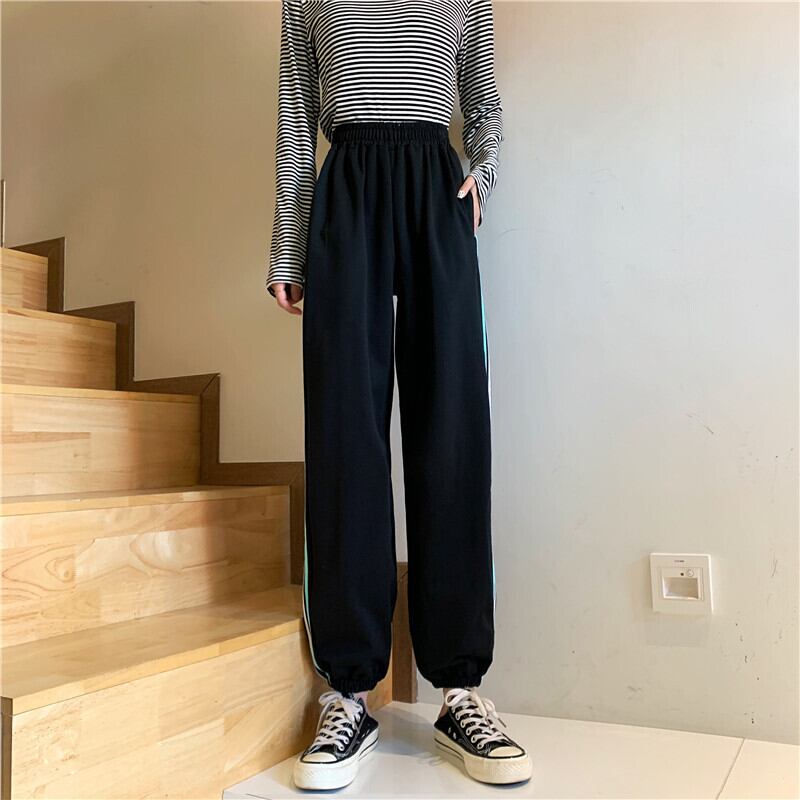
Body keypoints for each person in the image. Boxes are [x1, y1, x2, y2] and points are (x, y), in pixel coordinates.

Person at [266, 0, 532, 790]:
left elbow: (483, 101)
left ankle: (460, 690)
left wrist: (483, 174)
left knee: (451, 426)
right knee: (344, 432)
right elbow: (295, 118)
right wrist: (288, 244)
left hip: (435, 190)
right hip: (346, 188)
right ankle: (349, 693)